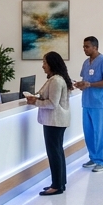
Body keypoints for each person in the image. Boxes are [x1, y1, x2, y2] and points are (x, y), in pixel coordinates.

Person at [26, 51, 72, 195]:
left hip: (54, 121)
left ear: (52, 64)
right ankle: (60, 183)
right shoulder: (55, 79)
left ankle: (56, 185)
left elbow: (52, 103)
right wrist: (36, 97)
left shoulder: (56, 81)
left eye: (45, 62)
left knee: (54, 153)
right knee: (57, 152)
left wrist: (35, 102)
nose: (43, 66)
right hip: (56, 121)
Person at [74, 36, 103, 172]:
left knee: (100, 132)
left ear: (95, 47)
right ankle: (93, 157)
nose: (84, 49)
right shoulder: (86, 63)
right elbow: (85, 80)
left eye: (87, 47)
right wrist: (80, 84)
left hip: (99, 103)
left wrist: (90, 84)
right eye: (83, 47)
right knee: (89, 132)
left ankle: (101, 161)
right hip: (87, 102)